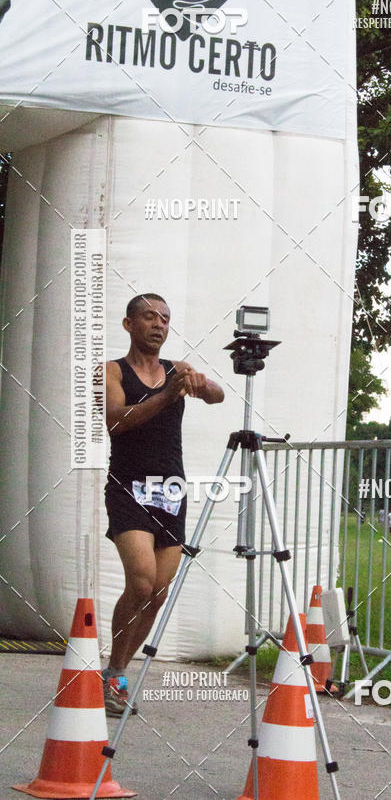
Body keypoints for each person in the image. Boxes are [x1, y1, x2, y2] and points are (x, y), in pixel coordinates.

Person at [102, 293, 224, 716]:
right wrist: (167, 395)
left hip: (170, 490)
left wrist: (201, 384)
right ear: (129, 324)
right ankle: (114, 674)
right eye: (150, 317)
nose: (158, 324)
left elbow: (218, 395)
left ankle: (117, 670)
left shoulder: (179, 370)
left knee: (156, 593)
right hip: (128, 486)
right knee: (140, 582)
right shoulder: (112, 372)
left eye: (165, 319)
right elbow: (116, 422)